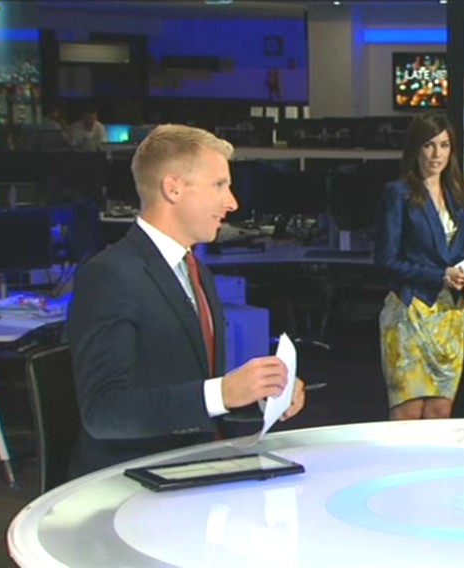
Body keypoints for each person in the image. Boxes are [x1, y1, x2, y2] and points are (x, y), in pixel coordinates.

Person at [65, 124, 306, 475]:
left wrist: (258, 396)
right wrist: (222, 393)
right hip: (134, 477)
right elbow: (104, 413)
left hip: (196, 463)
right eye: (219, 185)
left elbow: (191, 390)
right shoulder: (110, 275)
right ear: (173, 188)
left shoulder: (195, 270)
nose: (232, 202)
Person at [374, 112, 464, 420]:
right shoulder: (398, 193)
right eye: (429, 145)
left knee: (440, 412)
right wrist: (439, 275)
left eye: (444, 145)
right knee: (409, 413)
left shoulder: (457, 195)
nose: (436, 155)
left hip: (448, 317)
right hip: (410, 314)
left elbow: (456, 252)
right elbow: (386, 260)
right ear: (415, 148)